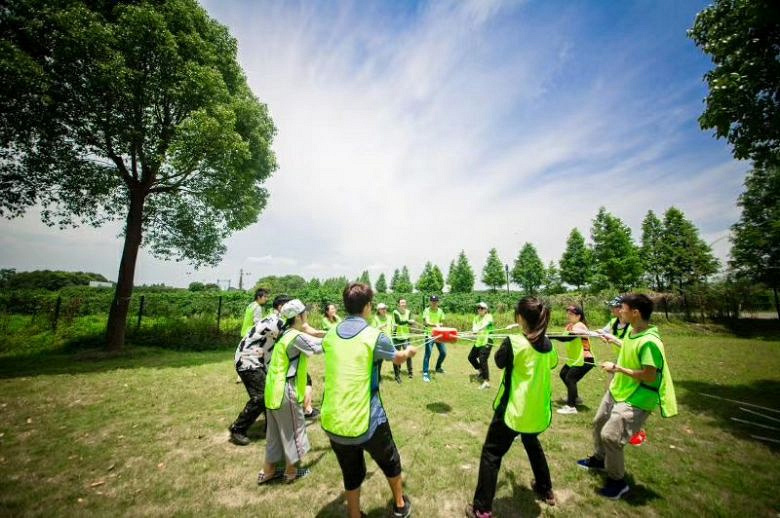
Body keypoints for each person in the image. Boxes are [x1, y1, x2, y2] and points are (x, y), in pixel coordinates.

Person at [321, 283, 416, 518]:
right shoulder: (375, 336)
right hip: (368, 420)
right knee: (390, 461)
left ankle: (354, 514)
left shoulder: (330, 334)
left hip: (334, 420)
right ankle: (400, 505)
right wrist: (409, 352)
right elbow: (397, 358)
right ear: (368, 306)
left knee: (351, 472)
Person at [577, 293, 677, 500]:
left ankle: (617, 482)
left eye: (622, 308)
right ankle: (599, 460)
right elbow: (630, 347)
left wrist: (617, 368)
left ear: (635, 312)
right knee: (598, 423)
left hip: (637, 396)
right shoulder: (633, 331)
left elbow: (649, 376)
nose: (619, 311)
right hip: (618, 389)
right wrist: (614, 340)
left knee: (610, 436)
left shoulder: (650, 342)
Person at [466, 297, 558, 518]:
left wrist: (514, 337)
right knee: (531, 442)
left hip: (513, 411)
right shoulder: (548, 344)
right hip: (536, 412)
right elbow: (552, 362)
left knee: (491, 454)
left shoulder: (513, 342)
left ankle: (481, 509)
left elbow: (499, 361)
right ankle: (546, 489)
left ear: (520, 318)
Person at [258, 299, 324, 485]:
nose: (307, 314)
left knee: (275, 434)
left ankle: (268, 471)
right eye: (305, 312)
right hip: (285, 391)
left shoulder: (284, 334)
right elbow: (320, 346)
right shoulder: (295, 337)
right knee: (294, 431)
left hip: (272, 391)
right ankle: (291, 472)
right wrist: (343, 334)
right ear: (299, 316)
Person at [229, 294, 291, 446]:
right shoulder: (276, 322)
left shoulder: (275, 319)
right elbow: (294, 336)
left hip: (257, 360)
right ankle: (237, 428)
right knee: (261, 396)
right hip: (248, 360)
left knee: (270, 393)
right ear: (280, 307)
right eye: (290, 306)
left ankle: (271, 427)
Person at [557, 305, 595, 415]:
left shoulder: (580, 326)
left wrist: (547, 337)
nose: (568, 315)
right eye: (568, 313)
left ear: (578, 316)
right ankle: (575, 398)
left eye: (571, 314)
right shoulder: (570, 326)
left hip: (585, 359)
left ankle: (571, 407)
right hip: (575, 359)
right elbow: (563, 337)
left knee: (570, 378)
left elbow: (567, 338)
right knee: (564, 374)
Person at [468, 302, 495, 389]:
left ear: (486, 310)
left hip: (487, 341)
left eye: (482, 308)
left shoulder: (489, 316)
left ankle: (486, 381)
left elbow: (485, 324)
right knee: (471, 357)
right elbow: (474, 328)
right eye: (478, 308)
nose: (480, 309)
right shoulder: (476, 318)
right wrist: (473, 333)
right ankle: (481, 372)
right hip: (479, 341)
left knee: (482, 359)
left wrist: (478, 329)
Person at [422, 295, 446, 383]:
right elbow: (426, 322)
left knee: (443, 352)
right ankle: (425, 372)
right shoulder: (426, 310)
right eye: (432, 301)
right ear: (430, 302)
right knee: (428, 354)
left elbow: (442, 322)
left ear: (438, 302)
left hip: (439, 335)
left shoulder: (440, 311)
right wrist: (435, 325)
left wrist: (440, 325)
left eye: (435, 301)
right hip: (429, 335)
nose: (434, 303)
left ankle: (438, 367)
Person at [371, 303, 397, 382]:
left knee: (395, 357)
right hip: (380, 342)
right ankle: (378, 377)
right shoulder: (375, 318)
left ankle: (397, 376)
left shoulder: (390, 317)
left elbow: (393, 328)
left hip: (389, 341)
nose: (384, 310)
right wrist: (380, 327)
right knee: (379, 360)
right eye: (382, 309)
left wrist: (394, 327)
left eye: (385, 308)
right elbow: (373, 330)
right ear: (378, 310)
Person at [392, 299, 416, 380]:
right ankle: (397, 374)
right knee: (397, 356)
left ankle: (410, 373)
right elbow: (399, 321)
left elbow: (410, 323)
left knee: (408, 355)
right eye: (401, 302)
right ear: (398, 304)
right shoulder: (395, 312)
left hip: (406, 337)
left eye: (404, 302)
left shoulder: (409, 312)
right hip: (396, 337)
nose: (403, 304)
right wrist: (408, 321)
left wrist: (411, 322)